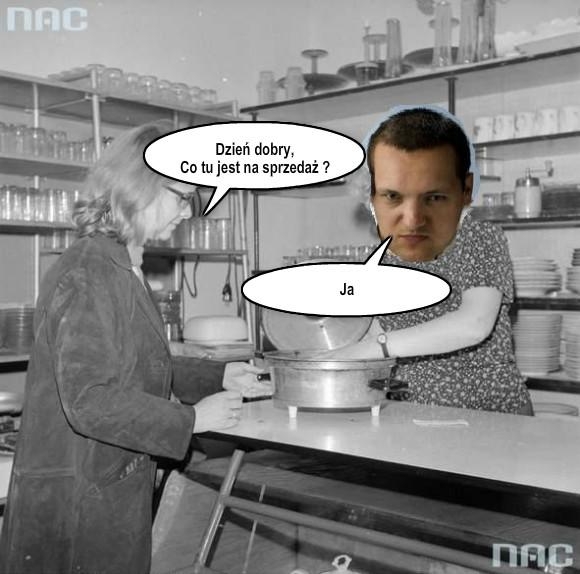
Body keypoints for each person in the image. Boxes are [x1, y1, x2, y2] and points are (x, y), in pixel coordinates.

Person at [0, 121, 269, 574]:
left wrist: (218, 376)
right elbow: (89, 399)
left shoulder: (123, 264)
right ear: (141, 186)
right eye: (182, 197)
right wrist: (193, 419)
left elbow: (136, 361)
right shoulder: (89, 270)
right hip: (79, 497)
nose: (187, 212)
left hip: (105, 485)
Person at [324, 106, 532, 415]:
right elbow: (371, 331)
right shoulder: (386, 256)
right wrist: (325, 360)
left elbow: (473, 324)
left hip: (486, 411)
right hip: (412, 412)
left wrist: (377, 345)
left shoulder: (479, 237)